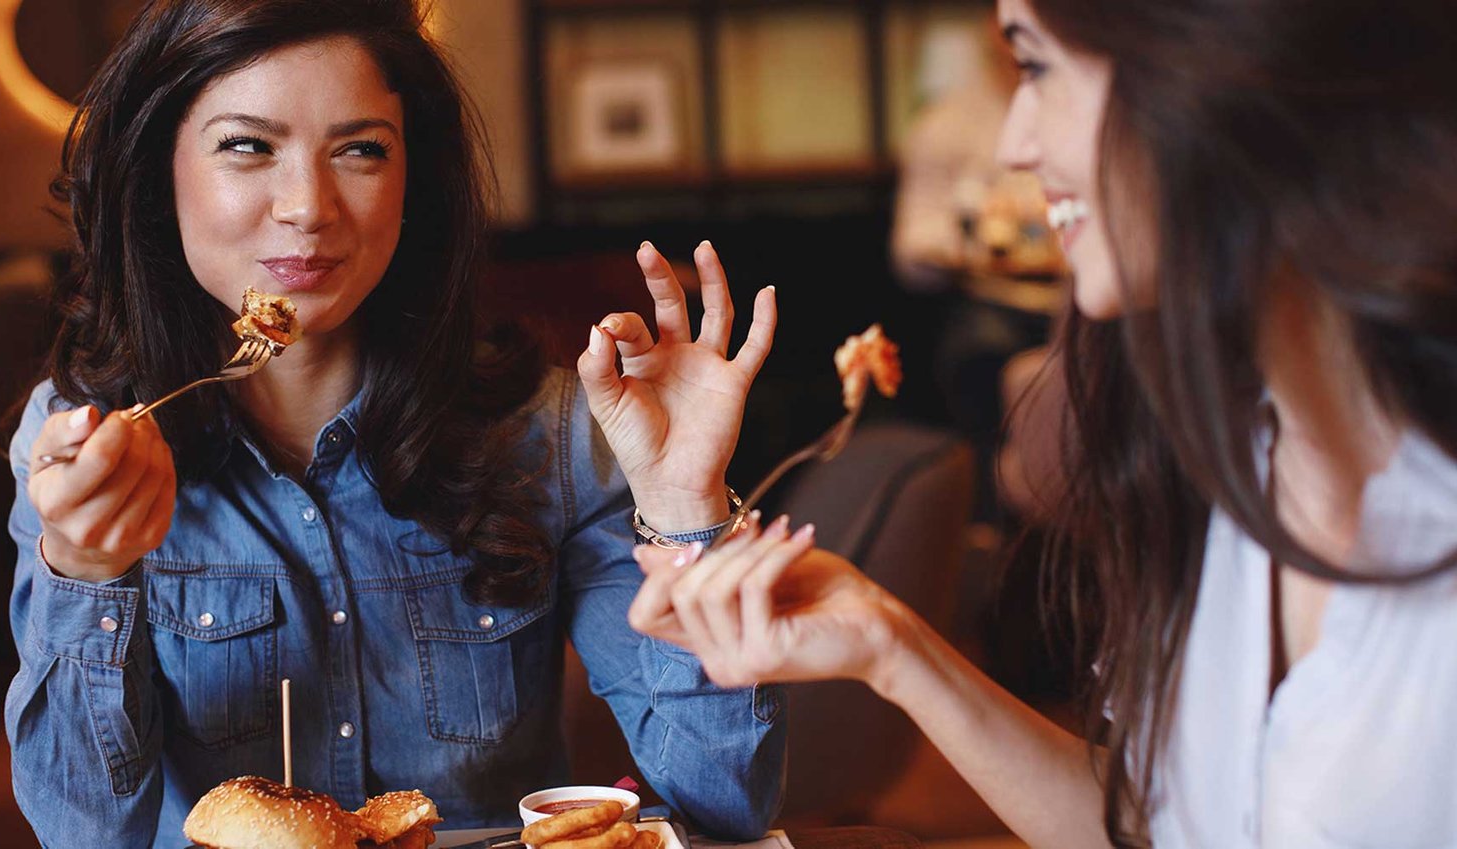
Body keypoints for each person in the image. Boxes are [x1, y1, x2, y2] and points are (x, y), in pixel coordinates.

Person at [592, 0, 1457, 845]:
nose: (1013, 144)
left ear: (1216, 67)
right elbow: (1158, 828)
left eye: (1036, 66)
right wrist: (891, 646)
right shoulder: (1231, 466)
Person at [4, 1, 785, 844]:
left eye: (360, 149)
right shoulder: (83, 444)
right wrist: (84, 568)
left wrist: (684, 507)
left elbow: (723, 805)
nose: (308, 206)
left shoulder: (549, 433)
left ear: (415, 182)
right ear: (160, 169)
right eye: (249, 146)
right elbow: (81, 833)